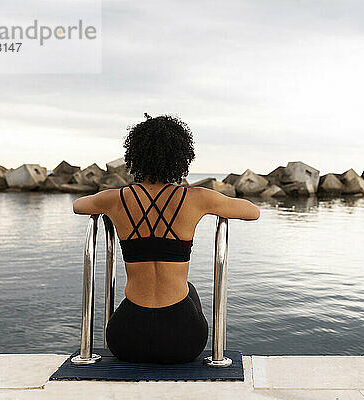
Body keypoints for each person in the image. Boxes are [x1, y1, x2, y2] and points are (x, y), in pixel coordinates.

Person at [72, 114, 260, 363]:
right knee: (189, 289)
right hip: (183, 341)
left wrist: (108, 201)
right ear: (181, 158)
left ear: (135, 156)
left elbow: (78, 205)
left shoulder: (115, 199)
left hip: (126, 339)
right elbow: (252, 212)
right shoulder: (197, 198)